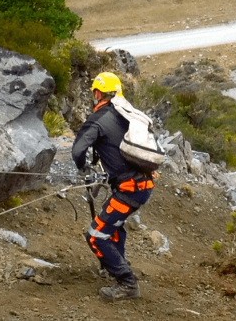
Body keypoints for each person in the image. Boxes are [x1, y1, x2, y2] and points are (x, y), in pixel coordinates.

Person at [72, 71, 155, 302]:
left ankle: (127, 283)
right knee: (114, 227)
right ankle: (118, 267)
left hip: (128, 189)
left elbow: (78, 150)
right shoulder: (126, 116)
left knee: (96, 235)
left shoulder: (98, 119)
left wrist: (84, 169)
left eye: (94, 93)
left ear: (99, 93)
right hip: (143, 185)